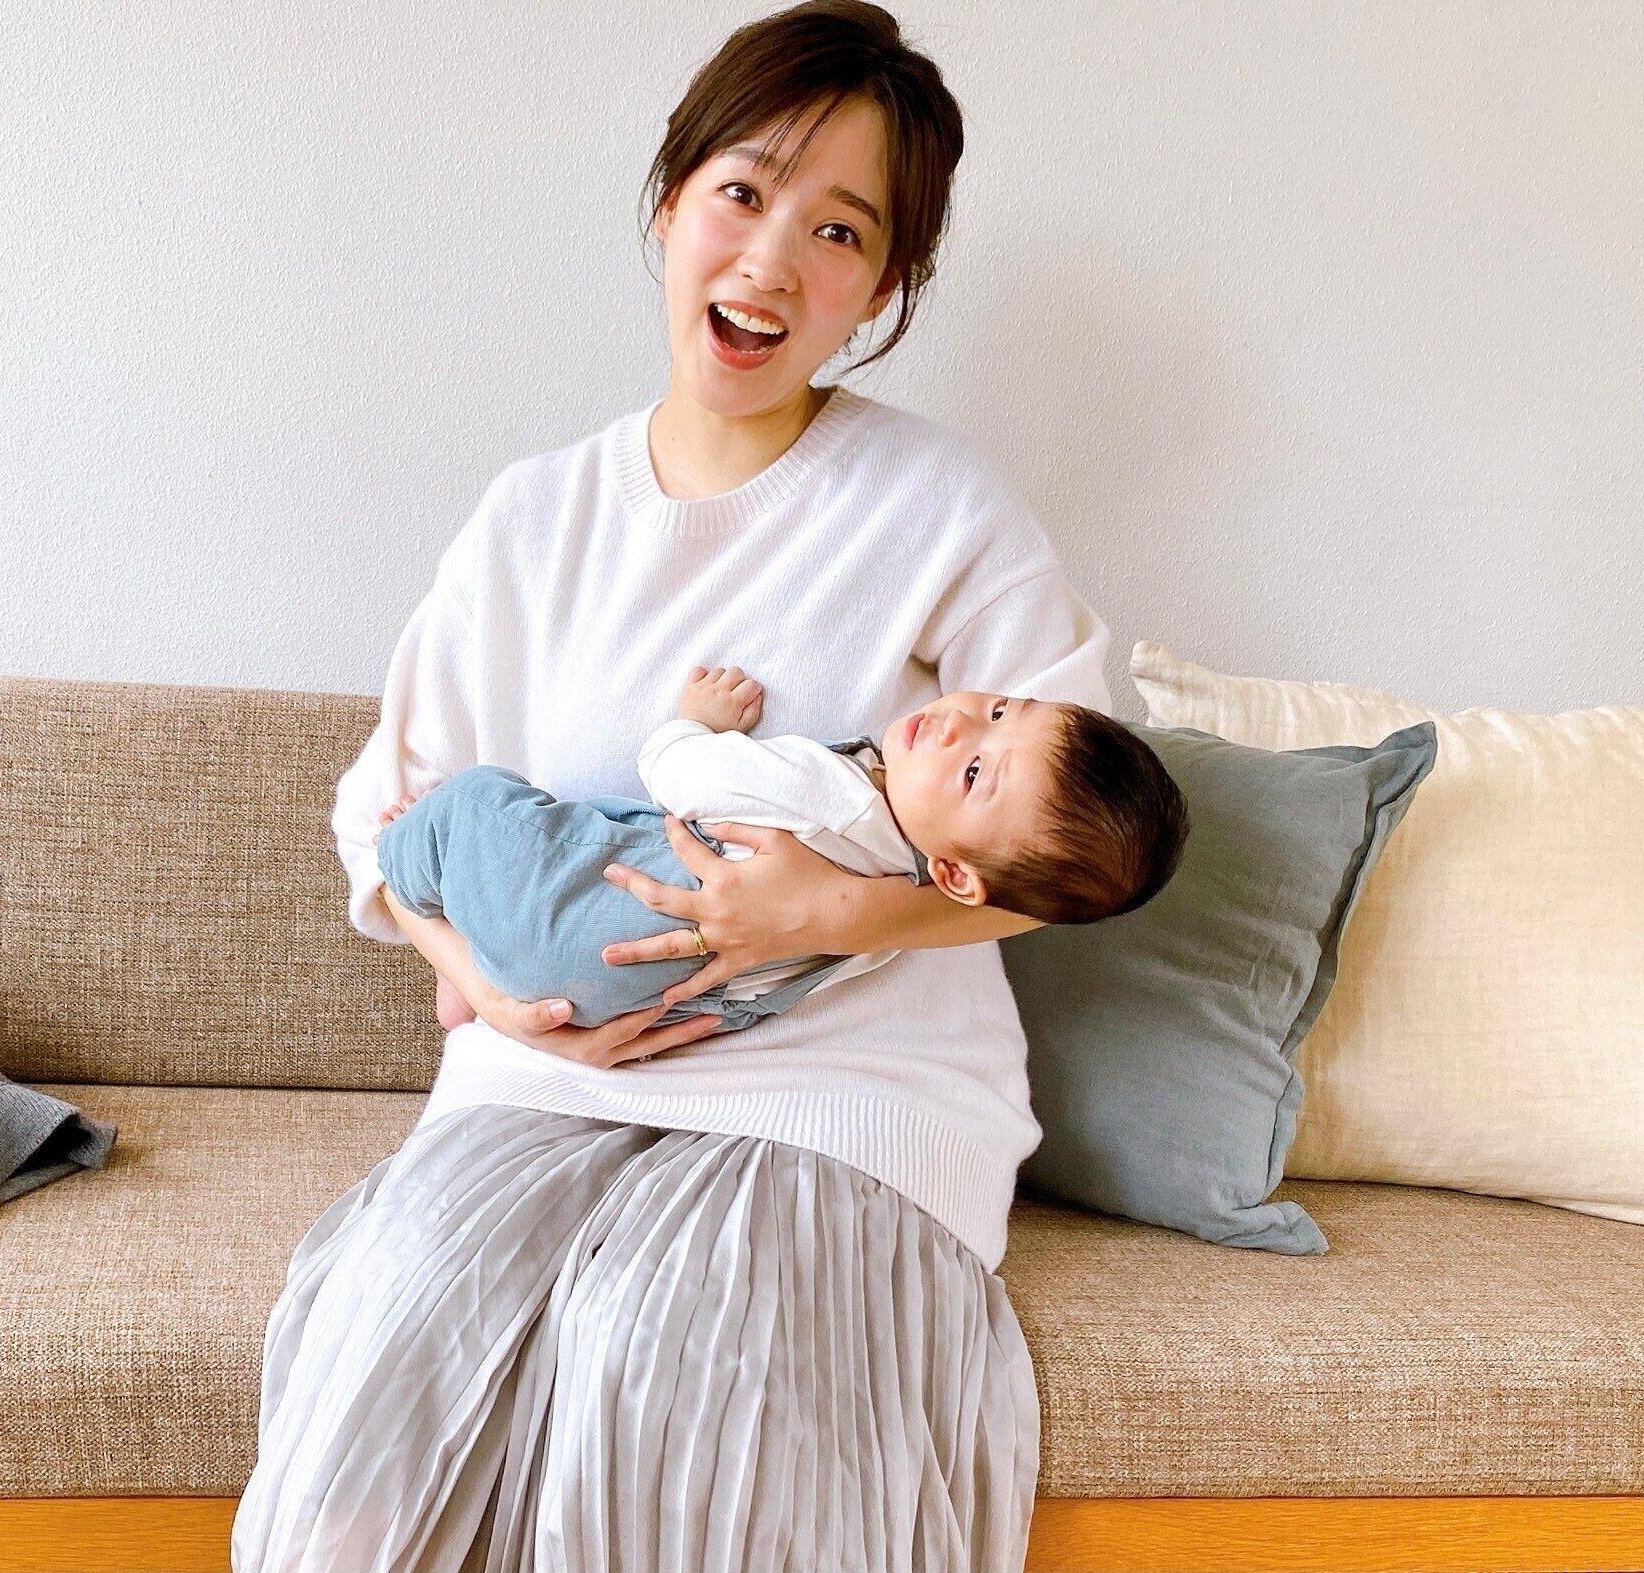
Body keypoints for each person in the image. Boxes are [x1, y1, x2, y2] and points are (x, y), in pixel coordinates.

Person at [231, 5, 1118, 1567]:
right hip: (545, 1077)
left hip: (846, 1098)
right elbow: (388, 818)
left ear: (883, 287)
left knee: (657, 1358)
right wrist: (481, 990)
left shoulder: (939, 505)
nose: (770, 261)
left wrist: (825, 913)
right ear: (668, 201)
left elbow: (1063, 852)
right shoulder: (533, 517)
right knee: (381, 1361)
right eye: (742, 193)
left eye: (837, 231)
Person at [367, 661, 1189, 1033]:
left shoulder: (830, 791)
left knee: (477, 798)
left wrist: (694, 723)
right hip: (613, 1002)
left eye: (975, 771)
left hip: (561, 909)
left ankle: (419, 856)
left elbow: (673, 773)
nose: (959, 722)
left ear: (953, 872)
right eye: (1003, 708)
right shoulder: (889, 926)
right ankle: (466, 968)